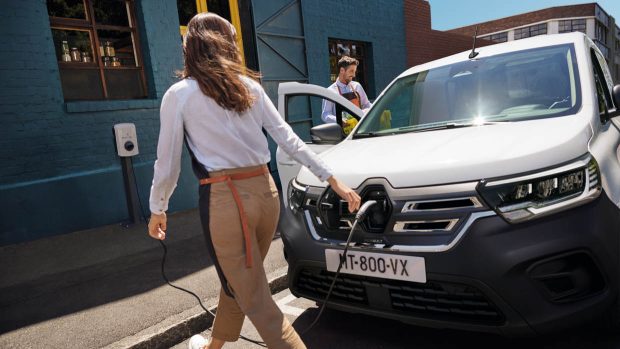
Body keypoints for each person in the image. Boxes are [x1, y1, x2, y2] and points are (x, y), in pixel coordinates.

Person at [147, 13, 361, 349]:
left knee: (257, 298)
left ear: (193, 46)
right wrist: (333, 180)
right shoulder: (250, 87)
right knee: (243, 282)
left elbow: (168, 162)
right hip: (266, 195)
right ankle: (213, 347)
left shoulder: (180, 94)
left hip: (226, 201)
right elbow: (289, 139)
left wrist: (158, 208)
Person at [321, 56, 372, 126]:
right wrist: (339, 120)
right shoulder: (330, 91)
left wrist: (363, 113)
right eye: (351, 71)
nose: (354, 75)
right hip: (342, 134)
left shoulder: (357, 86)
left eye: (355, 71)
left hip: (359, 129)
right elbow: (325, 114)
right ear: (342, 70)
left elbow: (367, 105)